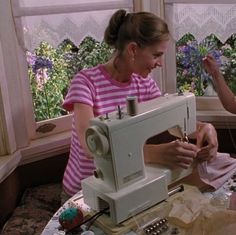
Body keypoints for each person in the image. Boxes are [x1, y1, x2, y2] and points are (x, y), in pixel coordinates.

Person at [62, 9, 218, 200]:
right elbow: (90, 147)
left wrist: (205, 128)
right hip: (85, 194)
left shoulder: (144, 84)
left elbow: (171, 121)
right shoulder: (85, 83)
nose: (160, 63)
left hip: (125, 188)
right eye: (156, 55)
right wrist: (154, 153)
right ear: (133, 50)